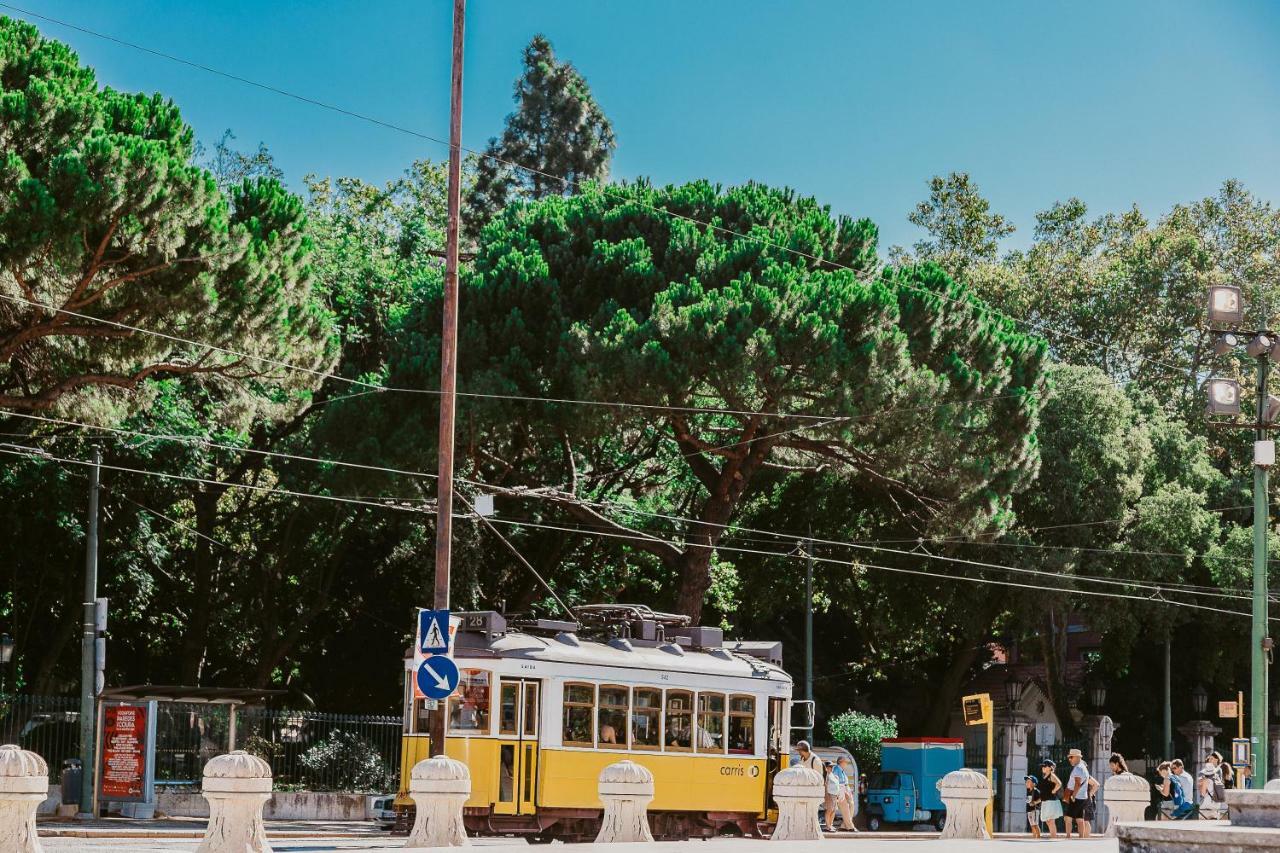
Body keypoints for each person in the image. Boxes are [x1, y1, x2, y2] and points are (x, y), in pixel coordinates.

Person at [1063, 748, 1094, 839]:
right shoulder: (1083, 768)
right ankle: (1081, 838)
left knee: (1068, 818)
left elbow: (1077, 783)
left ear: (1077, 757)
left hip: (1076, 797)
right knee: (1080, 819)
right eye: (1069, 757)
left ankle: (1068, 836)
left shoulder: (1078, 768)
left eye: (1071, 757)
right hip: (1083, 797)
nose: (1069, 759)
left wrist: (1073, 795)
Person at [1037, 759, 1063, 838]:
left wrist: (1053, 791)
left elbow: (1059, 783)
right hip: (1046, 800)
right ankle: (1053, 836)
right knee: (1048, 821)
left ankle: (1053, 837)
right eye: (1042, 766)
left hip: (1051, 801)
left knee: (1051, 820)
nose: (1043, 768)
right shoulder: (1045, 776)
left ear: (1050, 768)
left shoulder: (1051, 775)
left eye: (1045, 766)